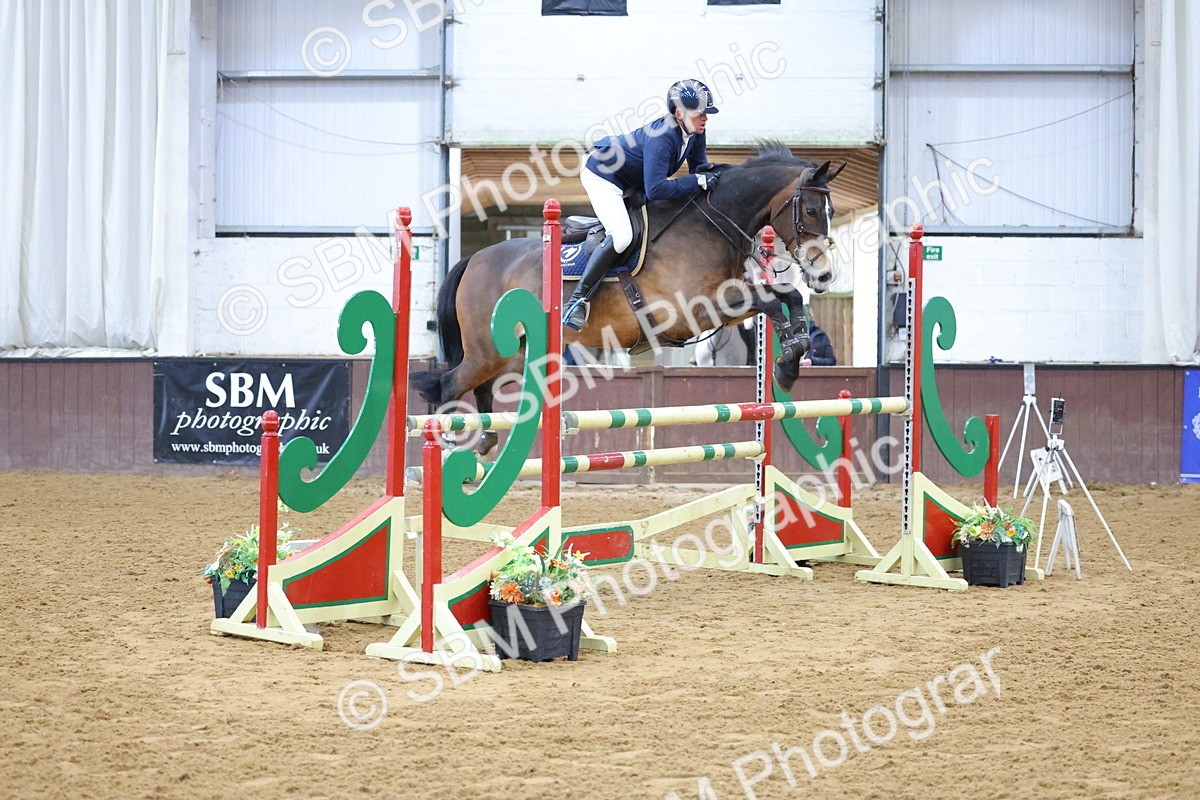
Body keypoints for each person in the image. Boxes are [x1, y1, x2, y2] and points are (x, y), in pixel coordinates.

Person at [563, 79, 720, 330]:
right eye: (699, 113)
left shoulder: (694, 132)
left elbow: (698, 170)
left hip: (632, 178)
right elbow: (657, 189)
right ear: (679, 114)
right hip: (603, 174)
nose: (705, 119)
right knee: (623, 236)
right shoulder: (663, 138)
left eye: (706, 113)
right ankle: (576, 301)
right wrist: (698, 180)